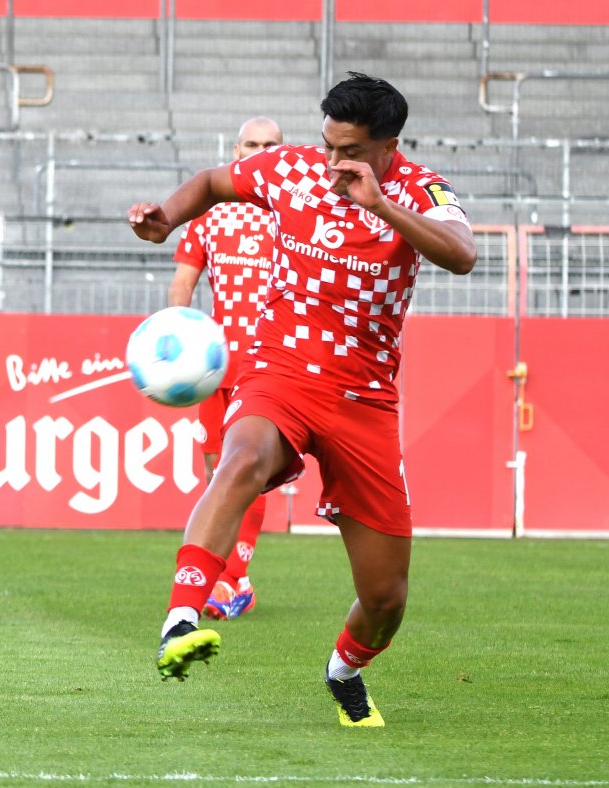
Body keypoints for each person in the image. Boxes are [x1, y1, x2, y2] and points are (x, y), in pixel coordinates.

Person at [129, 73, 475, 727]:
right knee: (239, 462)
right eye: (327, 146)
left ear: (388, 146)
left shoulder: (420, 190)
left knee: (385, 598)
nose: (333, 162)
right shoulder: (292, 170)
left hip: (365, 401)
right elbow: (211, 183)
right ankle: (181, 619)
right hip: (279, 371)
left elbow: (462, 254)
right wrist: (166, 217)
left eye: (349, 151)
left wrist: (383, 208)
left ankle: (344, 670)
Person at [169, 116, 282, 622]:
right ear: (236, 150)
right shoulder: (208, 217)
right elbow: (183, 284)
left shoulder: (293, 213)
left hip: (271, 363)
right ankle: (238, 578)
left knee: (248, 470)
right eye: (252, 144)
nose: (259, 151)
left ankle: (231, 578)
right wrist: (179, 337)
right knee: (217, 471)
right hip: (216, 364)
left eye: (270, 144)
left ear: (283, 151)